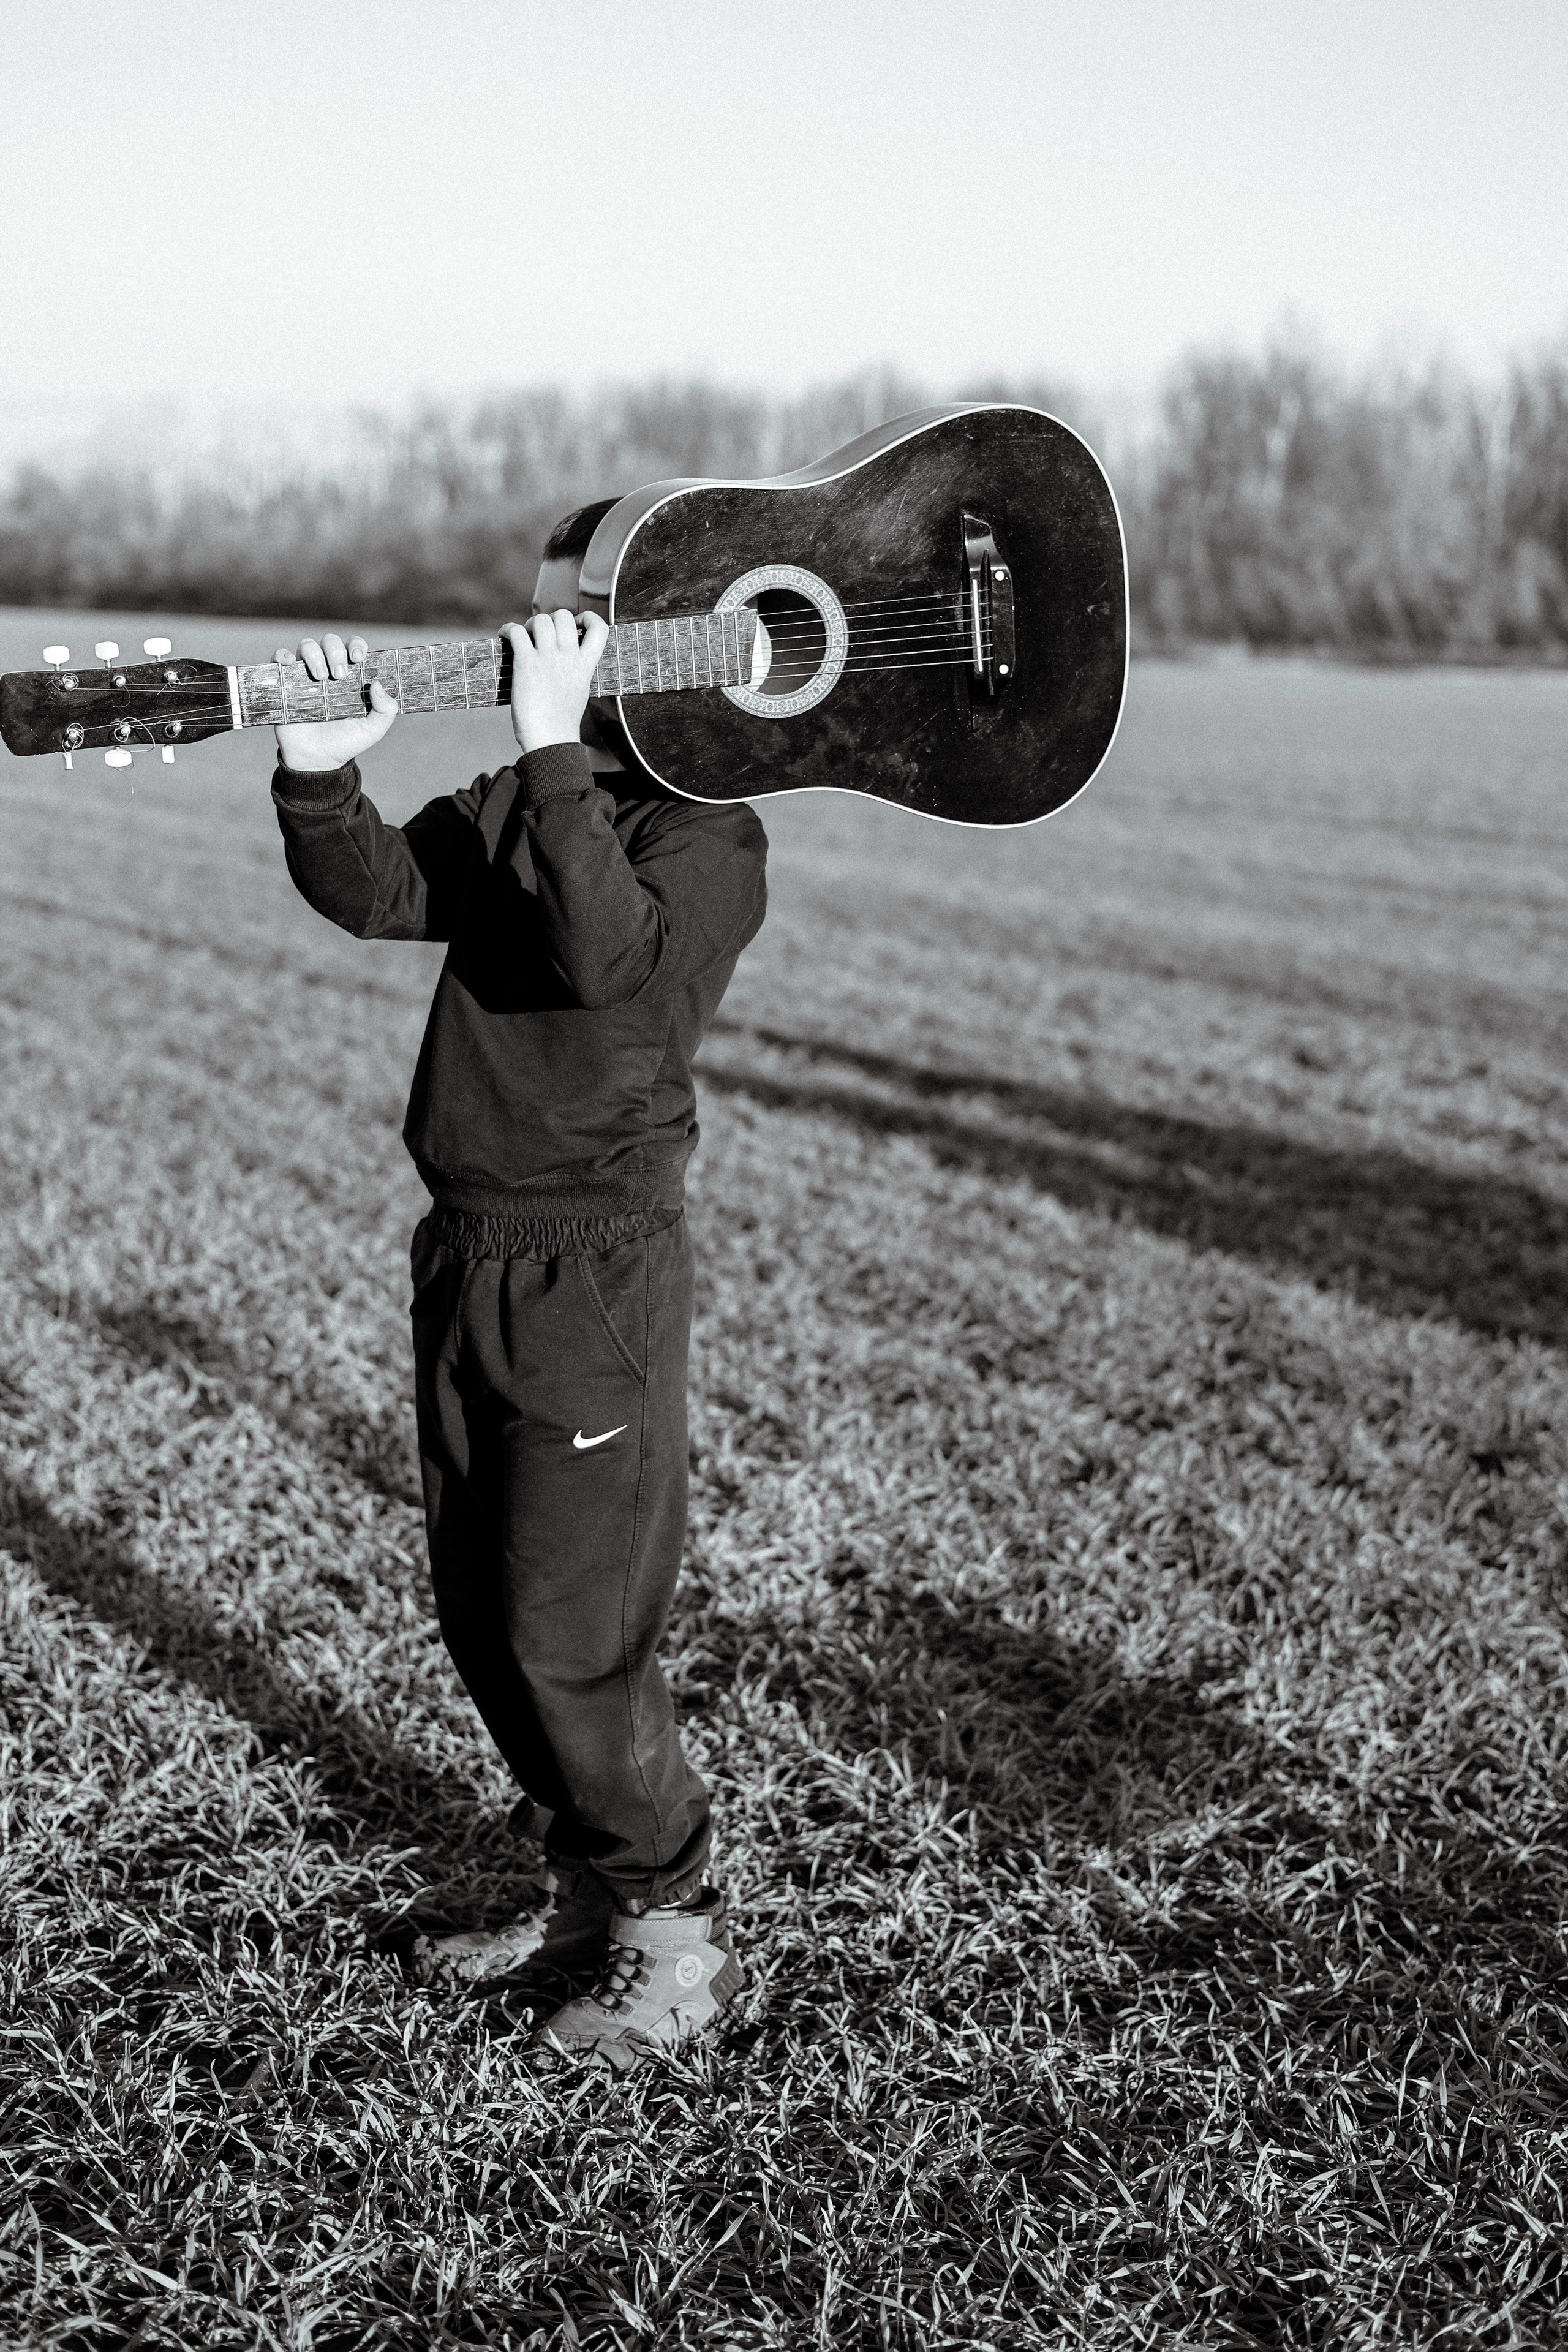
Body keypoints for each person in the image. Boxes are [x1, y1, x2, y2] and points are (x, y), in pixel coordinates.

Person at [270, 500, 767, 2071]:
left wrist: (555, 756)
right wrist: (317, 769)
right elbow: (382, 893)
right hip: (470, 1245)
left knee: (571, 1627)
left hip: (593, 1269)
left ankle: (671, 1945)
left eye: (594, 639)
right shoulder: (529, 793)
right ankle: (585, 1907)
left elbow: (602, 955)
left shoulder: (710, 838)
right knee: (486, 1616)